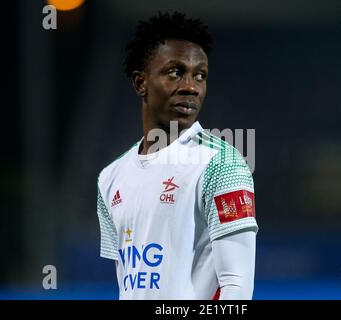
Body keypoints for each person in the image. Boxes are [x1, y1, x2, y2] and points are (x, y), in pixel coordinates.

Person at [96, 11, 258, 300]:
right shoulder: (109, 178)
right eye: (175, 72)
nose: (191, 87)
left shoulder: (222, 164)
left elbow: (237, 288)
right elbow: (130, 285)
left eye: (200, 75)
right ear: (140, 83)